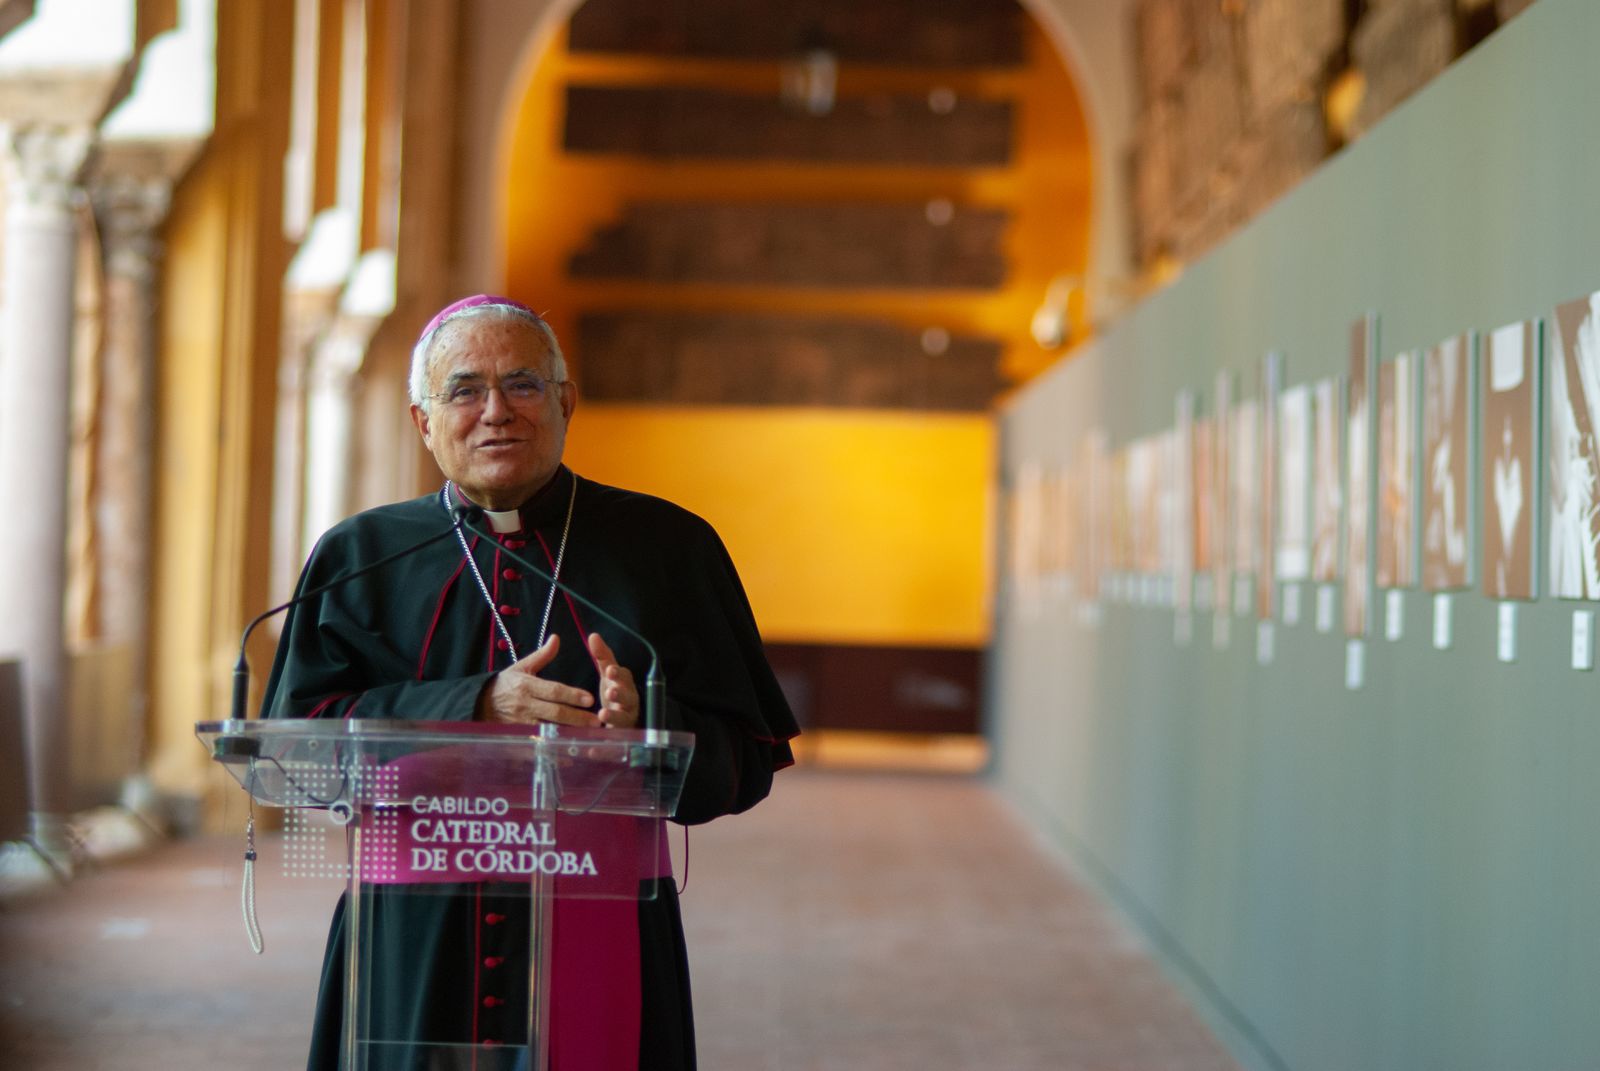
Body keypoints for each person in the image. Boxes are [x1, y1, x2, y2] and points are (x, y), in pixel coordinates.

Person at [261, 294, 798, 1070]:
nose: (495, 413)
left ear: (565, 403)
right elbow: (297, 754)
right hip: (412, 935)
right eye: (465, 389)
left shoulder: (670, 548)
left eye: (522, 385)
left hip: (603, 920)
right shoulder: (359, 556)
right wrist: (473, 705)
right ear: (423, 421)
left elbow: (742, 765)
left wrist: (649, 727)